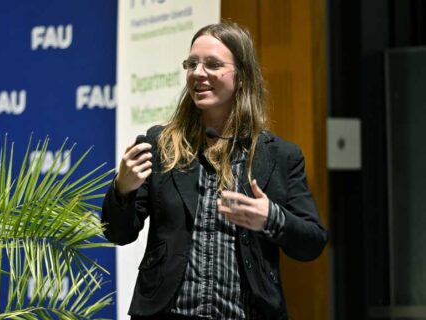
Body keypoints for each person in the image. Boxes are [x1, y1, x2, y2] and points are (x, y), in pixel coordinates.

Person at [102, 21, 328, 320]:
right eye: (192, 63)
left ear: (243, 77)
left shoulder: (280, 156)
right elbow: (118, 233)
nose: (197, 73)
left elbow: (312, 242)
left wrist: (271, 218)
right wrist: (123, 188)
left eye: (212, 64)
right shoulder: (161, 144)